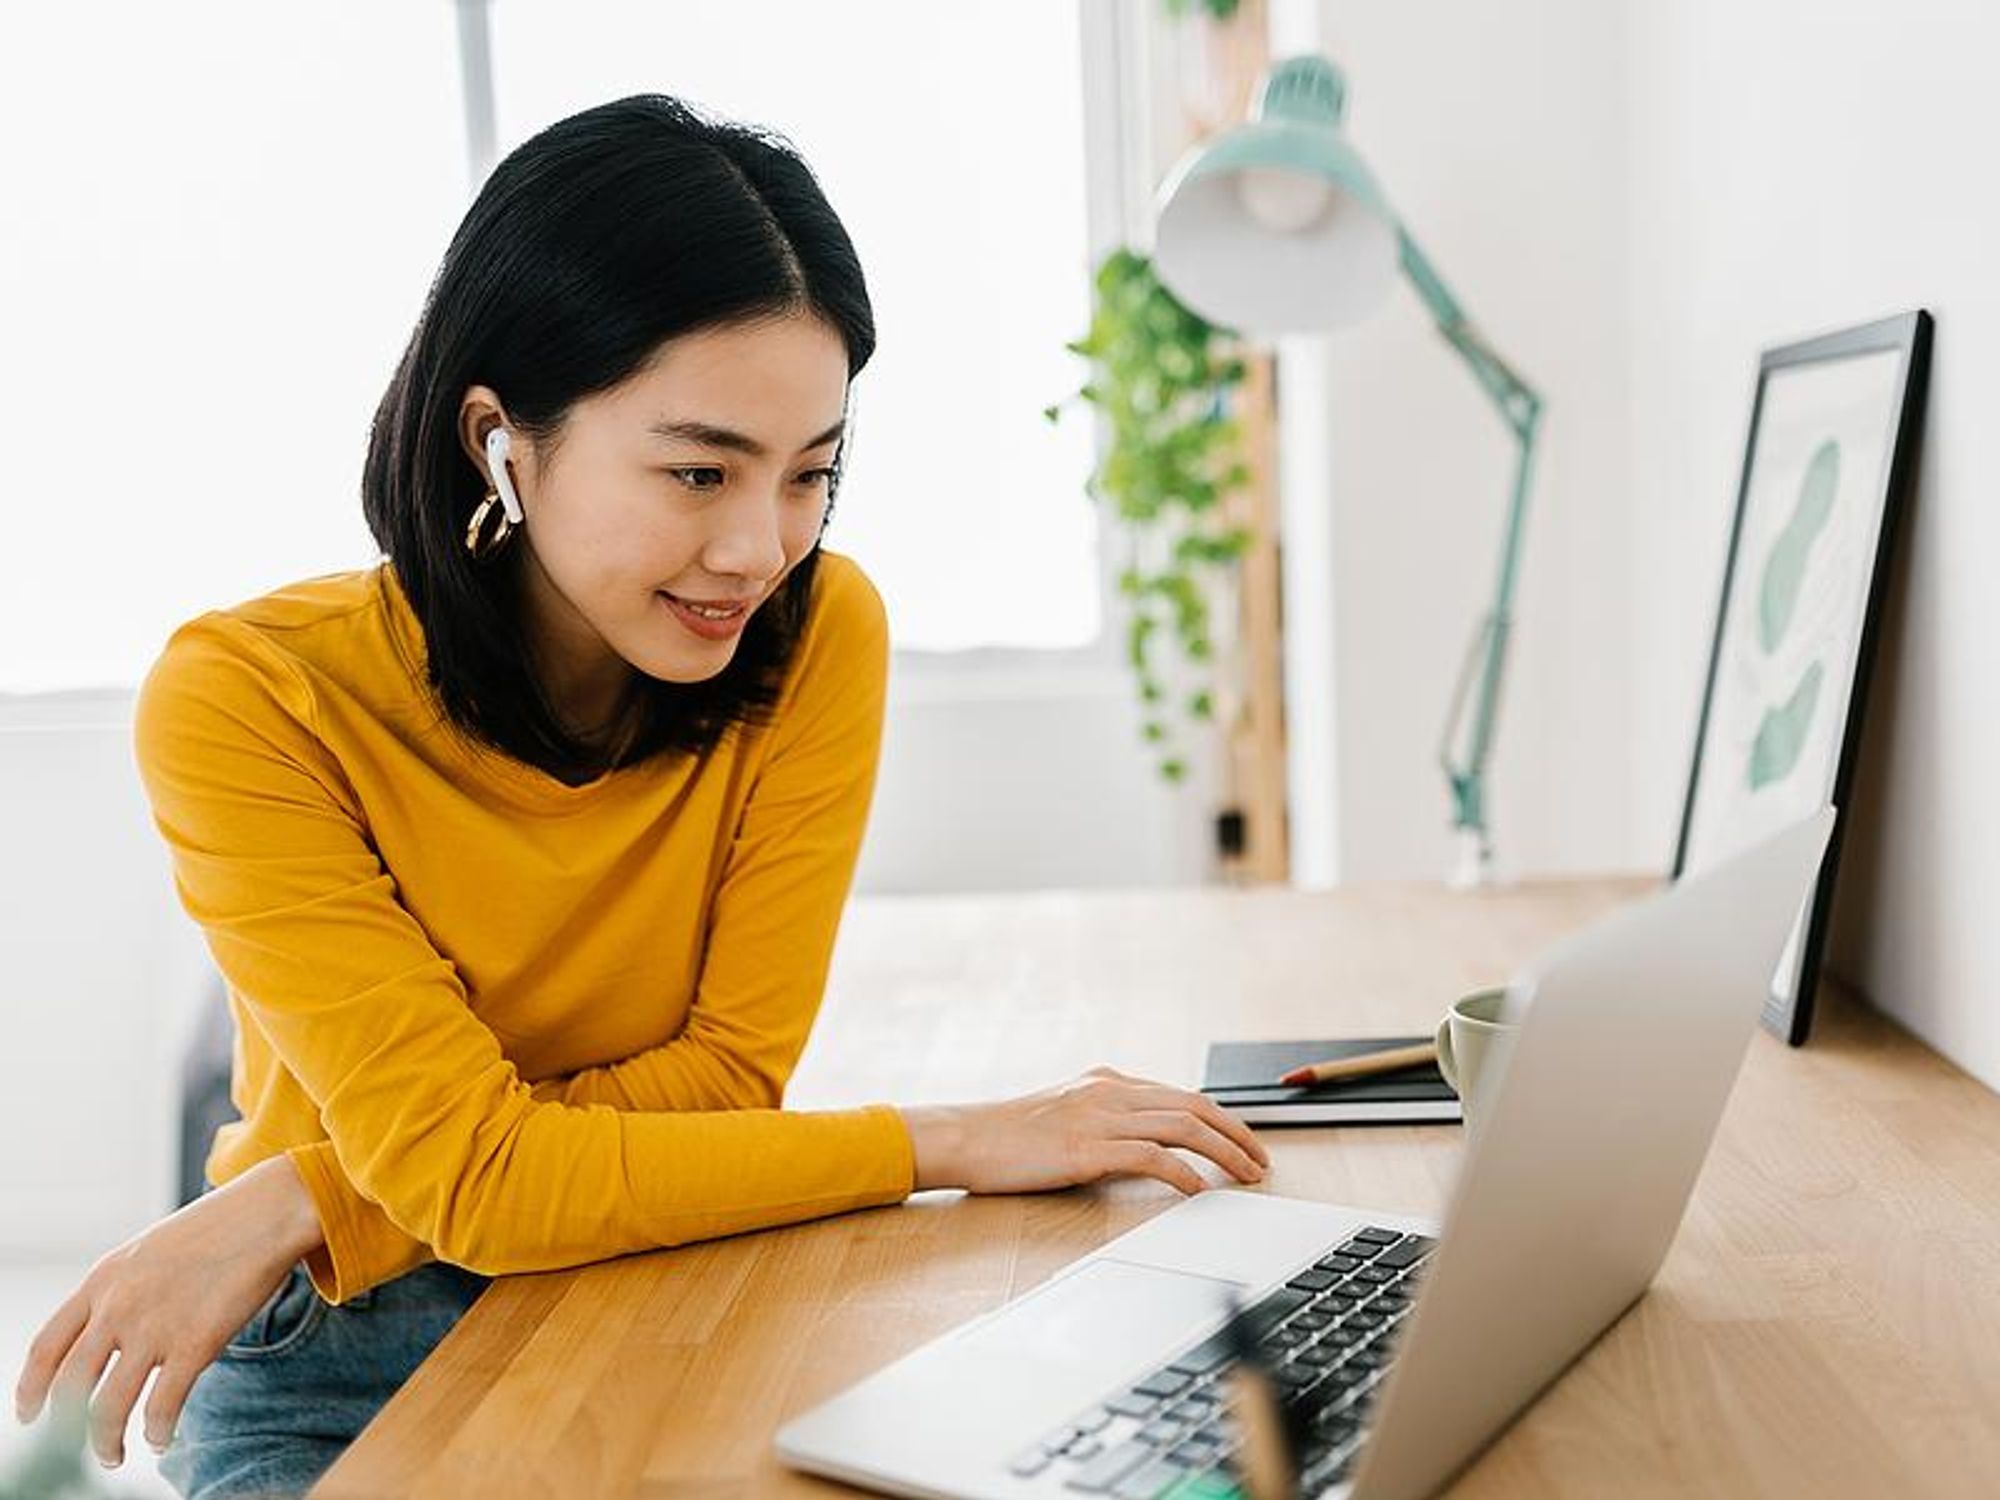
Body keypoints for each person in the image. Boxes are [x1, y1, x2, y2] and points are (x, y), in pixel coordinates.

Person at [9, 94, 1270, 1499]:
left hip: (660, 1266)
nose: (759, 547)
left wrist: (314, 1192)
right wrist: (959, 1138)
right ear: (501, 439)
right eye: (697, 471)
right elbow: (481, 1182)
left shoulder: (815, 634)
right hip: (329, 1350)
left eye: (812, 475)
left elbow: (726, 1081)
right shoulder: (250, 700)